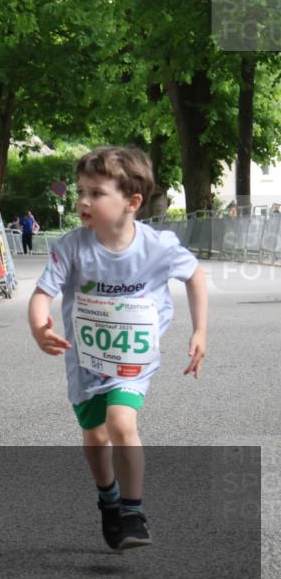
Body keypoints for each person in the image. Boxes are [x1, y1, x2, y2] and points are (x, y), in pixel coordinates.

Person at [28, 146, 207, 550]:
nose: (83, 202)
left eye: (96, 193)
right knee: (94, 435)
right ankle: (108, 497)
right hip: (86, 360)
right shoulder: (72, 246)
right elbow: (42, 293)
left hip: (133, 359)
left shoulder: (157, 246)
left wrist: (200, 332)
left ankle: (133, 512)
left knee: (121, 423)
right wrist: (40, 326)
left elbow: (195, 276)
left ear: (132, 202)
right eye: (80, 192)